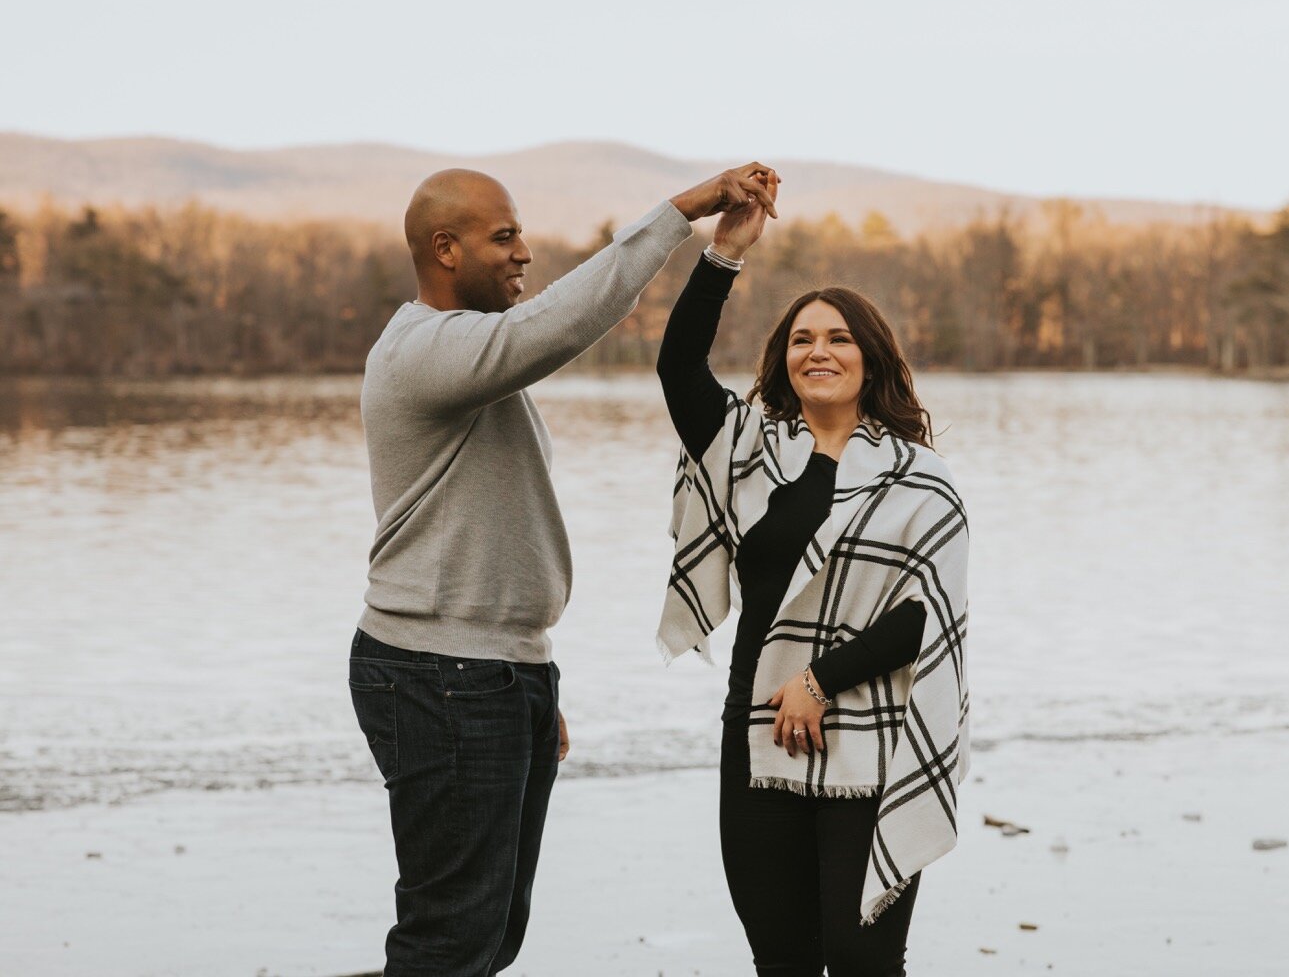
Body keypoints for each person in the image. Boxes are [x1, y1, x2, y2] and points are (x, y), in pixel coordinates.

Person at [349, 163, 778, 976]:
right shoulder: (424, 351)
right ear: (445, 249)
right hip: (442, 674)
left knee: (493, 932)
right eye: (503, 236)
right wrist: (682, 211)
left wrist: (531, 677)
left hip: (492, 671)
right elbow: (558, 324)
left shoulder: (471, 357)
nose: (524, 253)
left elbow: (493, 531)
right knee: (450, 939)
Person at [655, 173, 970, 977]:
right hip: (754, 725)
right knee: (783, 958)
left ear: (869, 357)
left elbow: (925, 619)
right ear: (782, 358)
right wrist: (725, 250)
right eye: (801, 339)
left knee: (861, 960)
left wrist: (821, 680)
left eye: (836, 338)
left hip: (867, 728)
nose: (818, 351)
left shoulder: (920, 481)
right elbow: (677, 363)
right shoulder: (750, 450)